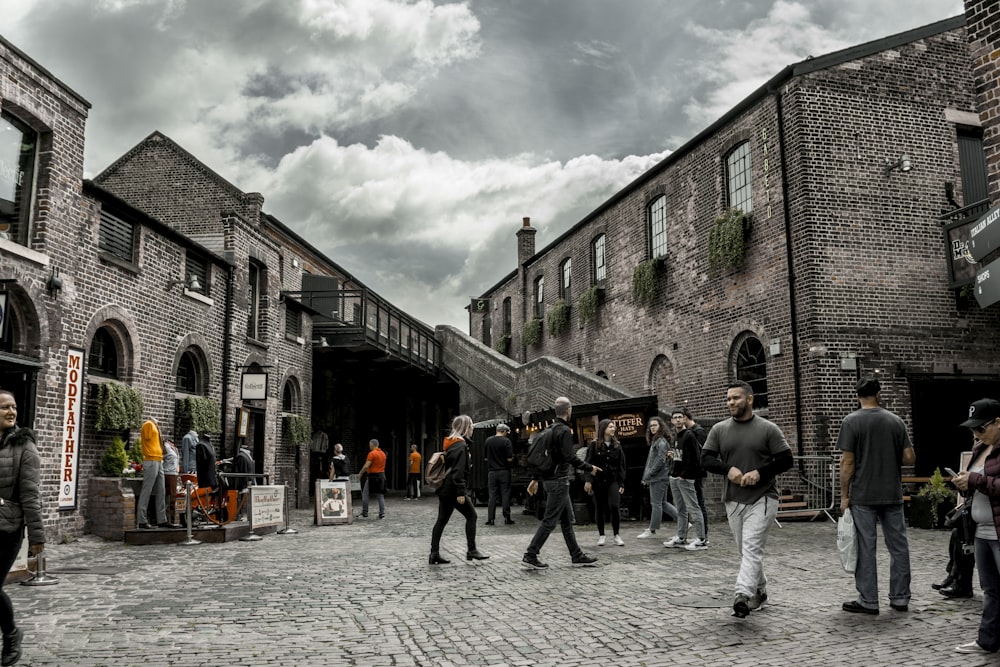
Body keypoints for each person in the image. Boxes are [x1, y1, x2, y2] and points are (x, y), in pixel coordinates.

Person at [702, 381, 793, 618]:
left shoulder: (768, 429)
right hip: (733, 499)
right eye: (729, 398)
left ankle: (742, 595)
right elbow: (706, 459)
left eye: (736, 398)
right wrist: (727, 469)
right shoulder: (719, 429)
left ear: (750, 399)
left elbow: (786, 460)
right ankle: (760, 591)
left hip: (763, 498)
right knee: (746, 551)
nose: (731, 402)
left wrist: (760, 472)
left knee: (751, 548)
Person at [837, 376, 914, 615]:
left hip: (863, 495)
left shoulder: (851, 421)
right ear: (879, 394)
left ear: (858, 396)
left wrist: (844, 495)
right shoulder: (896, 421)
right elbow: (910, 459)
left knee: (866, 547)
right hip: (891, 492)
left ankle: (869, 601)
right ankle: (900, 598)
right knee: (898, 546)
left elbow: (847, 463)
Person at [522, 396, 601, 569]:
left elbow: (544, 458)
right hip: (559, 482)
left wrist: (535, 479)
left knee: (567, 520)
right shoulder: (564, 431)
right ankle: (531, 554)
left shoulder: (550, 429)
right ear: (569, 410)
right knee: (550, 521)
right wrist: (589, 468)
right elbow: (570, 457)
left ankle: (576, 555)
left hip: (553, 481)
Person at [952, 398, 1000, 655]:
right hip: (982, 530)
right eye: (973, 429)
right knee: (991, 590)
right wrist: (965, 482)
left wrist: (976, 479)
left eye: (981, 428)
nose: (976, 433)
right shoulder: (982, 448)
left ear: (998, 422)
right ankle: (988, 641)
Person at [0, 390, 43, 666]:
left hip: (8, 527)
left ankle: (12, 635)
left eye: (14, 407)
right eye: (5, 407)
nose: (11, 411)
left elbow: (30, 493)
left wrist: (37, 537)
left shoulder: (24, 446)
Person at [429, 415, 489, 564]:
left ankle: (434, 553)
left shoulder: (451, 443)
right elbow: (458, 471)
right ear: (465, 427)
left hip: (445, 488)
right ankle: (472, 550)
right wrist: (461, 492)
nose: (473, 428)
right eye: (471, 425)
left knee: (441, 520)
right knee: (472, 516)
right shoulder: (460, 446)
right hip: (452, 489)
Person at [663, 410, 708, 550]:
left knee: (694, 507)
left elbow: (695, 458)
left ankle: (701, 539)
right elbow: (681, 456)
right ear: (671, 421)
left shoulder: (689, 435)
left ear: (684, 419)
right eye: (675, 418)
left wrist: (684, 474)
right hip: (675, 476)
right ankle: (681, 537)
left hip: (685, 478)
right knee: (681, 509)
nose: (677, 420)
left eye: (680, 417)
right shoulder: (676, 436)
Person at [584, 419, 626, 546]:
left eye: (614, 427)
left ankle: (616, 534)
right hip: (598, 481)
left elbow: (621, 465)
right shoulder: (594, 445)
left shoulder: (617, 446)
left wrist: (621, 483)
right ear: (604, 429)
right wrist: (588, 481)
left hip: (612, 480)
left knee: (614, 506)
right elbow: (588, 463)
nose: (613, 429)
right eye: (610, 427)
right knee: (599, 507)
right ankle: (601, 535)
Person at [637, 415, 677, 539]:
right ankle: (684, 521)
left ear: (660, 426)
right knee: (663, 503)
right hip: (659, 477)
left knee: (656, 504)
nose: (652, 428)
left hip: (658, 477)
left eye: (655, 425)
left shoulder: (661, 442)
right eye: (651, 426)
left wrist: (649, 474)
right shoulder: (657, 441)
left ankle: (652, 529)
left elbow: (660, 460)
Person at [682, 408, 710, 541]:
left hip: (697, 473)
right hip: (689, 473)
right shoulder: (688, 432)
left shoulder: (698, 432)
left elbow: (701, 453)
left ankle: (704, 535)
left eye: (680, 418)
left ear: (686, 418)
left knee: (699, 502)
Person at [136, 417, 168, 529]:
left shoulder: (155, 425)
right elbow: (147, 439)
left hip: (158, 460)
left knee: (161, 490)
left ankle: (162, 519)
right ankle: (141, 520)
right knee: (147, 490)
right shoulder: (148, 424)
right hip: (151, 460)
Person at [485, 423, 515, 525]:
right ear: (503, 431)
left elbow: (485, 458)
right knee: (505, 493)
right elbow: (509, 458)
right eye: (507, 432)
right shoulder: (506, 441)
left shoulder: (488, 441)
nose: (507, 434)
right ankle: (507, 517)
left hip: (492, 472)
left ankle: (491, 519)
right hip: (504, 471)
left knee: (492, 495)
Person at [358, 439, 387, 519]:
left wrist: (360, 473)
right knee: (380, 495)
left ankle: (365, 512)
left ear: (372, 445)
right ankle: (382, 513)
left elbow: (367, 465)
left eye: (370, 444)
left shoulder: (371, 454)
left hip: (373, 476)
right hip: (381, 475)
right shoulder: (383, 454)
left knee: (365, 494)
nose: (369, 446)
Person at [161, 439, 180, 527]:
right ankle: (168, 519)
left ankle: (171, 519)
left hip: (174, 474)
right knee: (169, 497)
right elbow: (161, 459)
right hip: (168, 474)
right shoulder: (165, 447)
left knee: (173, 497)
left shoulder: (174, 448)